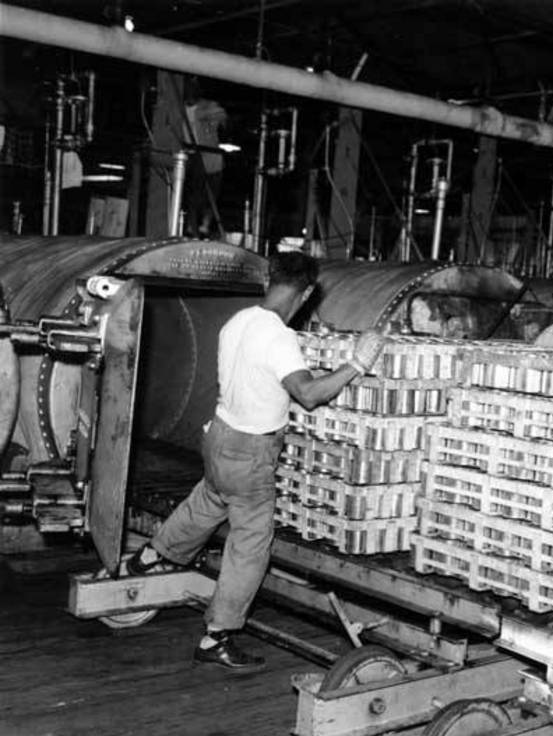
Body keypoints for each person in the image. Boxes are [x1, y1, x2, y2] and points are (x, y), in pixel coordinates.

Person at [125, 252, 386, 671]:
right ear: (305, 294)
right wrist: (357, 363)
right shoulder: (279, 337)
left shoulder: (238, 321)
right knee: (250, 544)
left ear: (270, 279)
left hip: (219, 437)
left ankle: (153, 556)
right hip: (250, 453)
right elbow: (310, 394)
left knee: (209, 499)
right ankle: (218, 636)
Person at [181, 77, 228, 239]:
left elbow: (222, 117)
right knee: (192, 196)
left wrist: (210, 118)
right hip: (189, 156)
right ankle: (190, 227)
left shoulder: (208, 107)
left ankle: (205, 225)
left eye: (193, 87)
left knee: (210, 196)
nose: (190, 91)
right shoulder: (177, 109)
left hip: (210, 158)